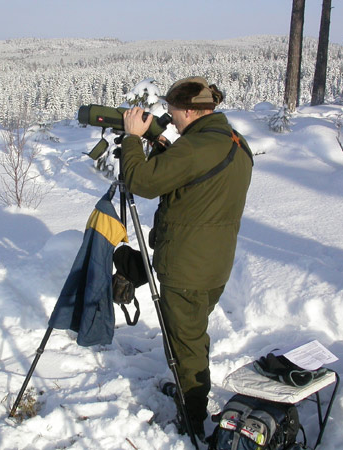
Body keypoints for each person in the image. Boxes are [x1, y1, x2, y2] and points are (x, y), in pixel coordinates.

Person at [121, 76, 253, 440]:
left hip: (186, 269)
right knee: (191, 334)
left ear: (191, 111)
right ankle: (188, 389)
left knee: (185, 342)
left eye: (173, 111)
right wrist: (158, 140)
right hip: (214, 264)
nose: (171, 116)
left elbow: (142, 182)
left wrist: (133, 137)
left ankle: (192, 415)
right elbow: (192, 181)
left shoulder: (196, 148)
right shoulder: (235, 142)